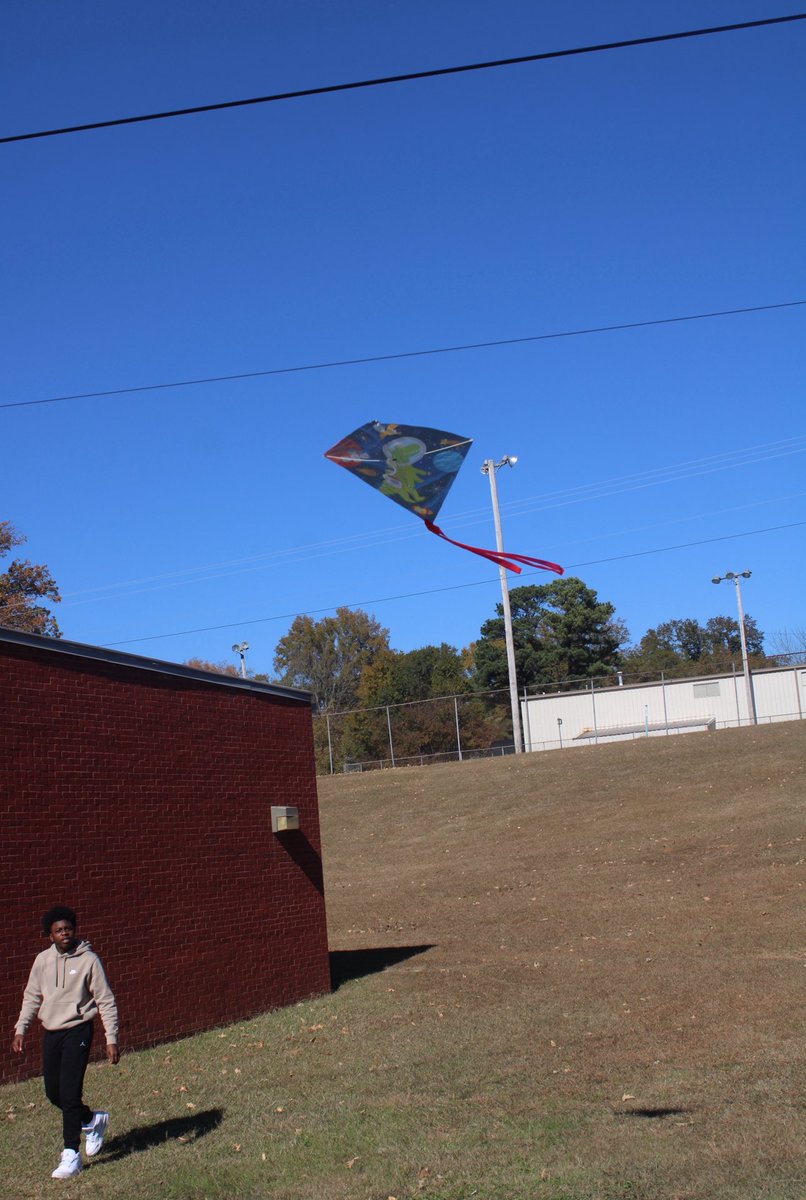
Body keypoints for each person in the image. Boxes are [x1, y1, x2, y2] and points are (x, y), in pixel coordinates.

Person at [11, 906, 119, 1179]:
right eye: (58, 931)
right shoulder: (42, 961)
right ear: (50, 935)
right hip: (52, 1032)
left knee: (70, 1092)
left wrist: (111, 1038)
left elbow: (105, 1000)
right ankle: (91, 1120)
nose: (64, 934)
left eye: (68, 928)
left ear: (74, 929)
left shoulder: (89, 960)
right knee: (53, 1092)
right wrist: (21, 1029)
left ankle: (71, 1154)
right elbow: (31, 996)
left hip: (78, 1030)